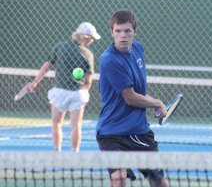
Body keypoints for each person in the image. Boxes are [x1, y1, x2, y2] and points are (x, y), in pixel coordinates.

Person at [96, 10, 168, 187]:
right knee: (119, 178)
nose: (122, 36)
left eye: (127, 31)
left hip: (139, 131)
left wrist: (150, 104)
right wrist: (157, 103)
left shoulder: (138, 49)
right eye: (118, 31)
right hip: (112, 133)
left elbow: (137, 91)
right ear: (111, 32)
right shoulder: (110, 60)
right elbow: (130, 97)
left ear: (134, 31)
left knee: (158, 181)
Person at [28, 22, 101, 152]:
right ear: (85, 37)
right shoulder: (88, 54)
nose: (92, 40)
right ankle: (75, 153)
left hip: (59, 92)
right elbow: (89, 80)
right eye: (91, 38)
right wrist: (85, 91)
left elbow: (46, 65)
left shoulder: (60, 47)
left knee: (56, 123)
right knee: (76, 125)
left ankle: (57, 153)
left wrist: (35, 81)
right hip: (78, 93)